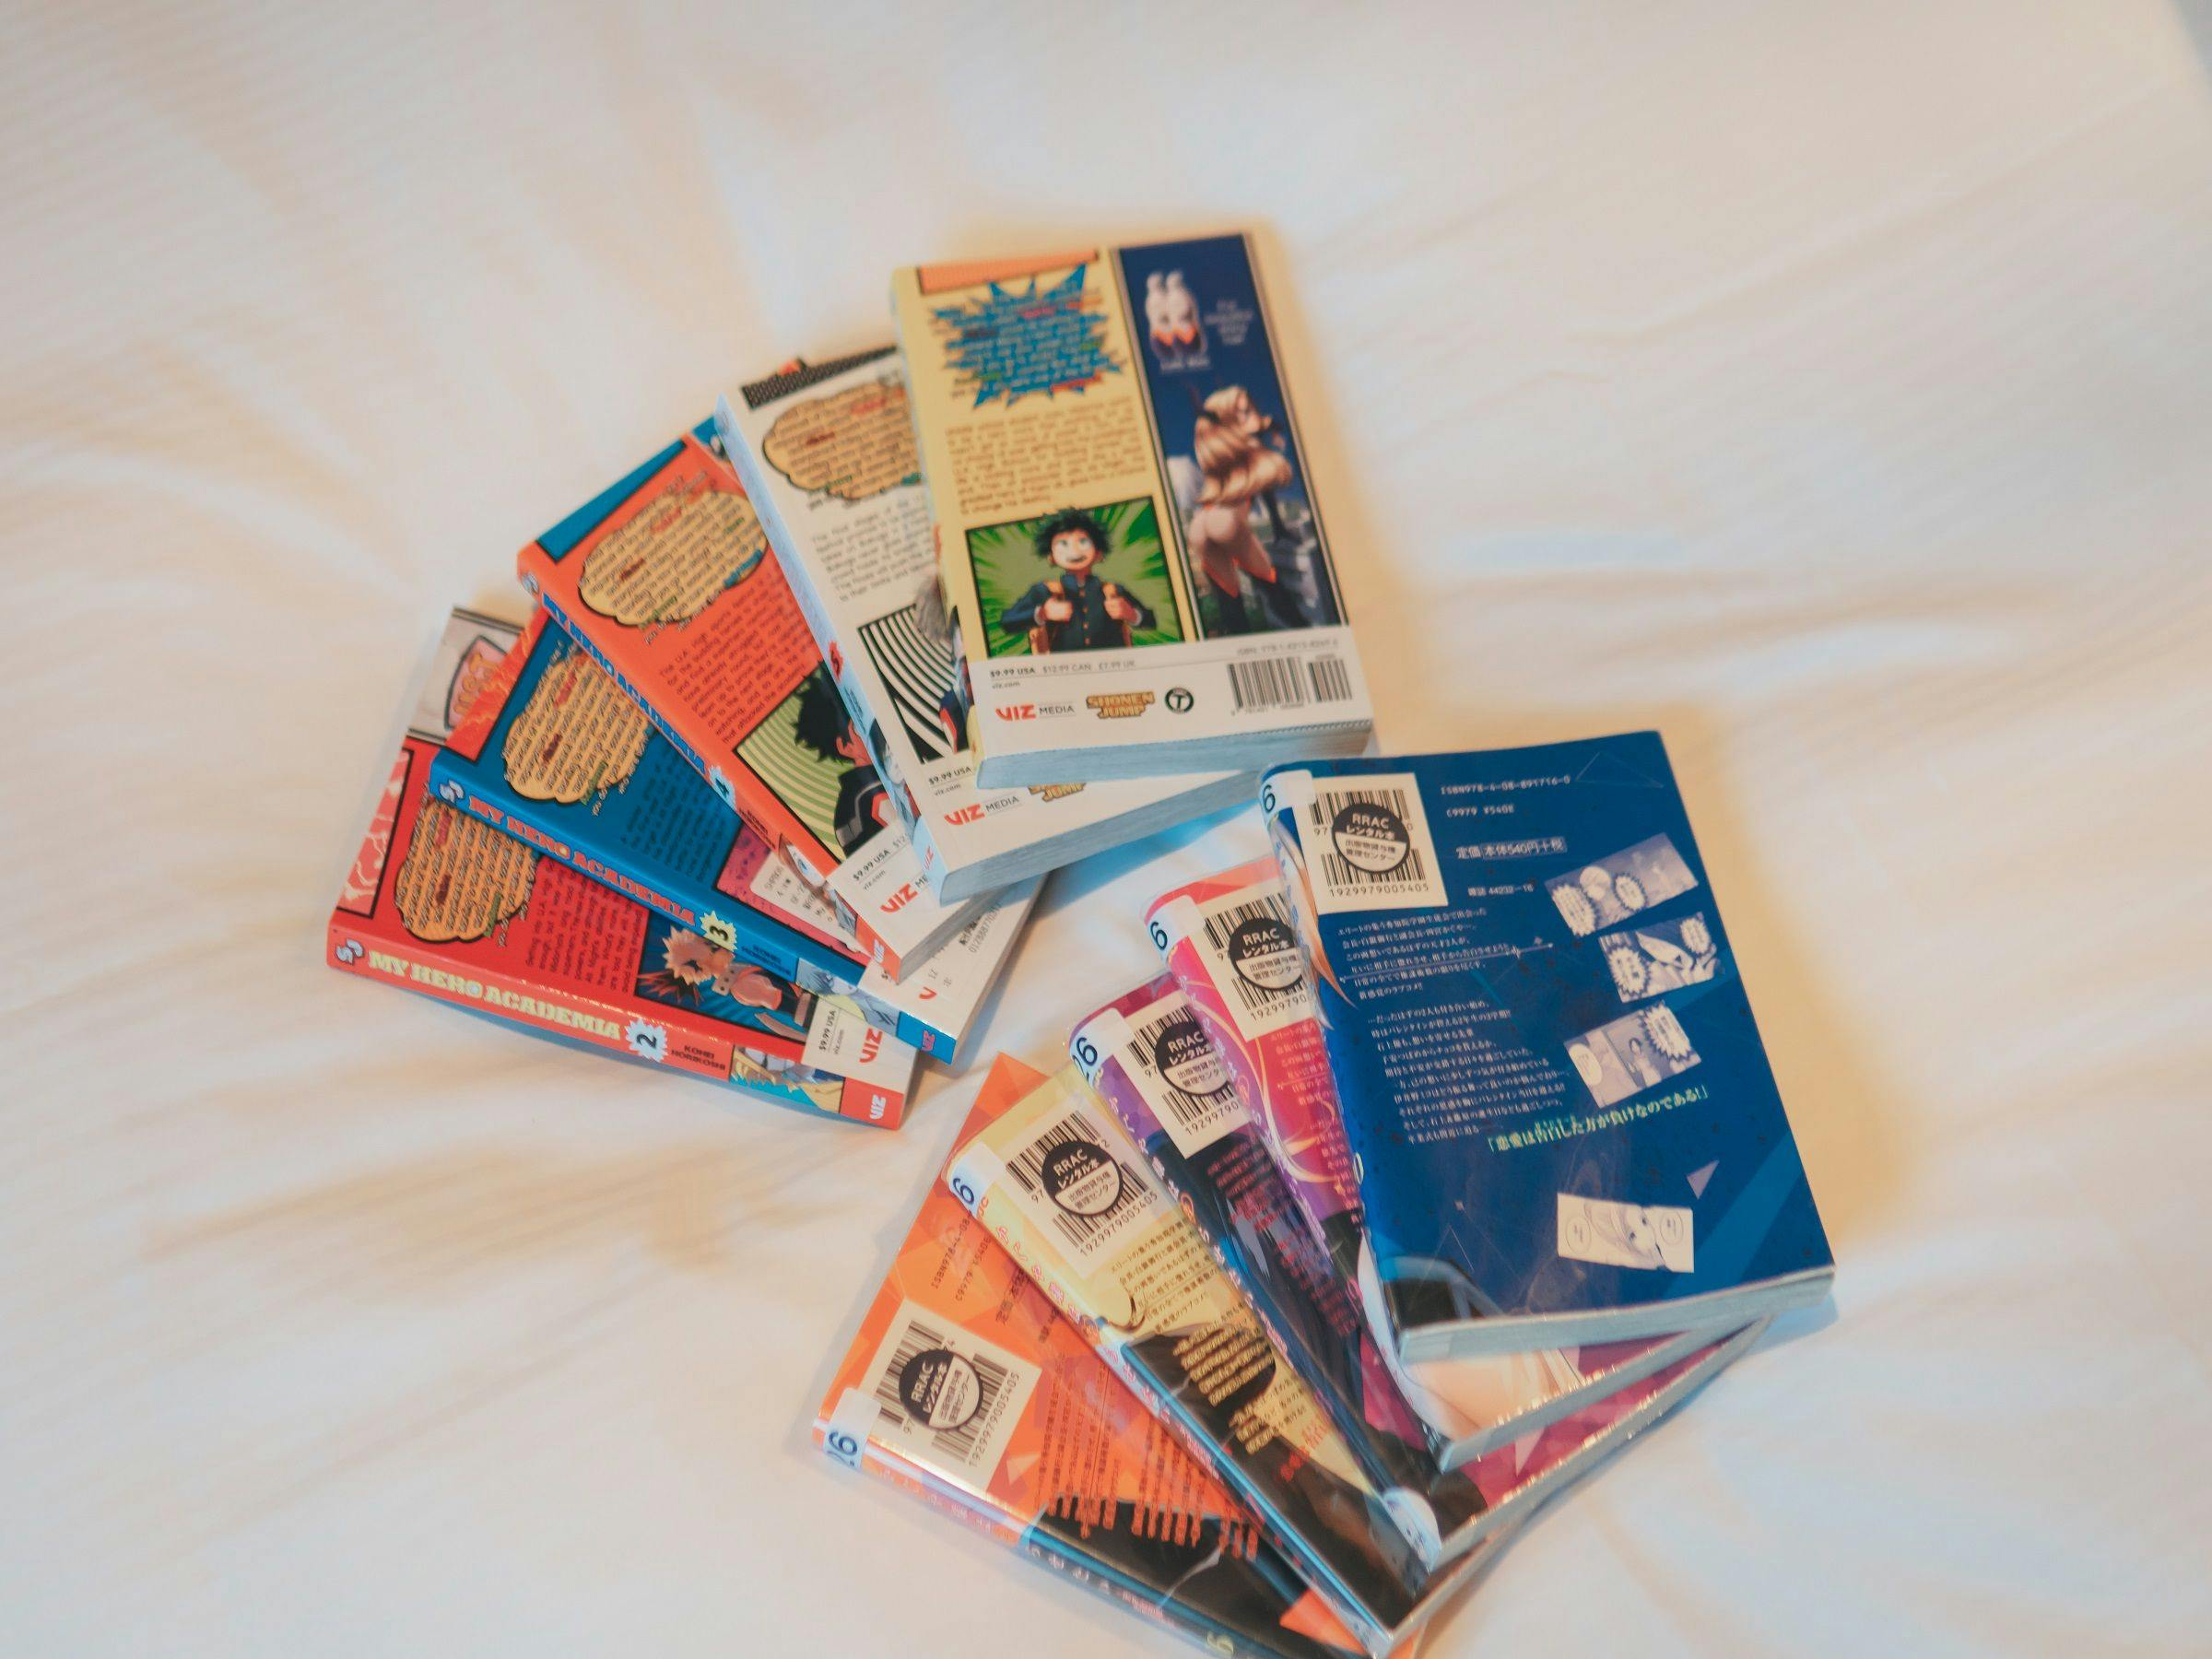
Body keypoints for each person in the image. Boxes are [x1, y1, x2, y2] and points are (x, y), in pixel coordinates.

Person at [1185, 386, 1309, 634]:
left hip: (1200, 524)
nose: (1255, 416)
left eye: (1251, 409)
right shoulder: (1247, 450)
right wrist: (1273, 432)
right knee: (1271, 584)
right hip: (1224, 522)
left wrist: (1272, 429)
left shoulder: (1219, 453)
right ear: (1229, 421)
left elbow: (1267, 422)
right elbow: (1272, 478)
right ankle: (1303, 629)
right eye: (1244, 413)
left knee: (1230, 603)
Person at [998, 509, 1154, 653]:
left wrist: (1132, 614)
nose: (1074, 551)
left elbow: (1150, 620)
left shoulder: (1114, 590)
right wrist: (1042, 613)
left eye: (1083, 542)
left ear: (1098, 552)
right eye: (1063, 544)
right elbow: (1007, 621)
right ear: (1051, 556)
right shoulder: (1044, 591)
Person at [793, 666, 891, 855]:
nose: (873, 728)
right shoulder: (869, 793)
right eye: (859, 727)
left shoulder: (849, 800)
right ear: (845, 747)